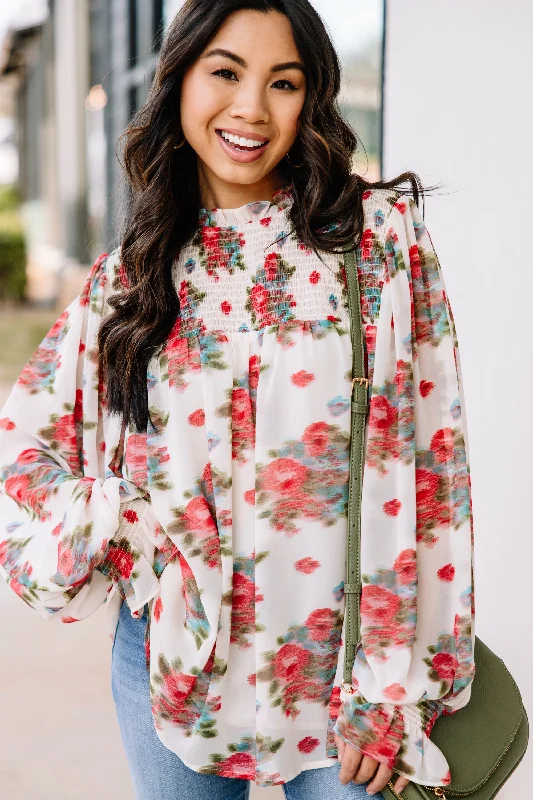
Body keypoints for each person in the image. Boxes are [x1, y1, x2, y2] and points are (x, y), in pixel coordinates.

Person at [0, 1, 476, 798]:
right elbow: (25, 449)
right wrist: (114, 518)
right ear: (179, 77)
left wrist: (397, 683)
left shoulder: (378, 243)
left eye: (282, 83)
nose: (251, 108)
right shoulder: (131, 276)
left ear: (310, 98)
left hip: (349, 676)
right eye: (225, 72)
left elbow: (435, 472)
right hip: (171, 658)